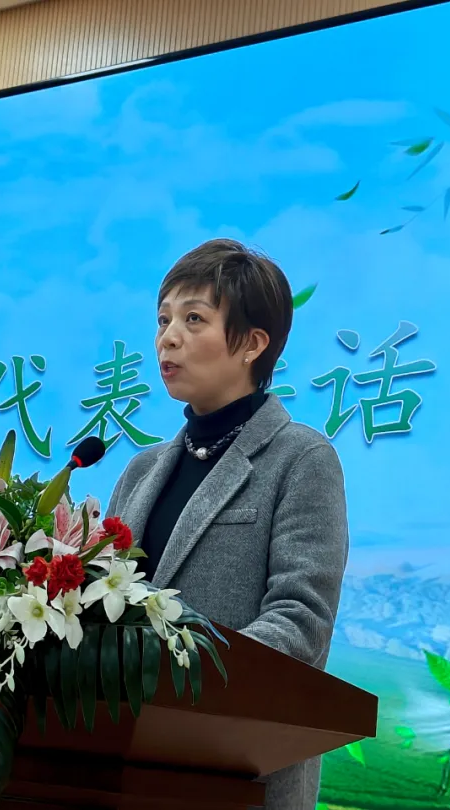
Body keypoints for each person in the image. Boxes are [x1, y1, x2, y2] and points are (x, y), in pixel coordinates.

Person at [106, 238, 349, 810]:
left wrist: (175, 678)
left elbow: (300, 620)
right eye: (163, 319)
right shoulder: (140, 471)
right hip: (120, 771)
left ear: (253, 344)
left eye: (194, 319)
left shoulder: (301, 460)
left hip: (240, 778)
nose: (168, 337)